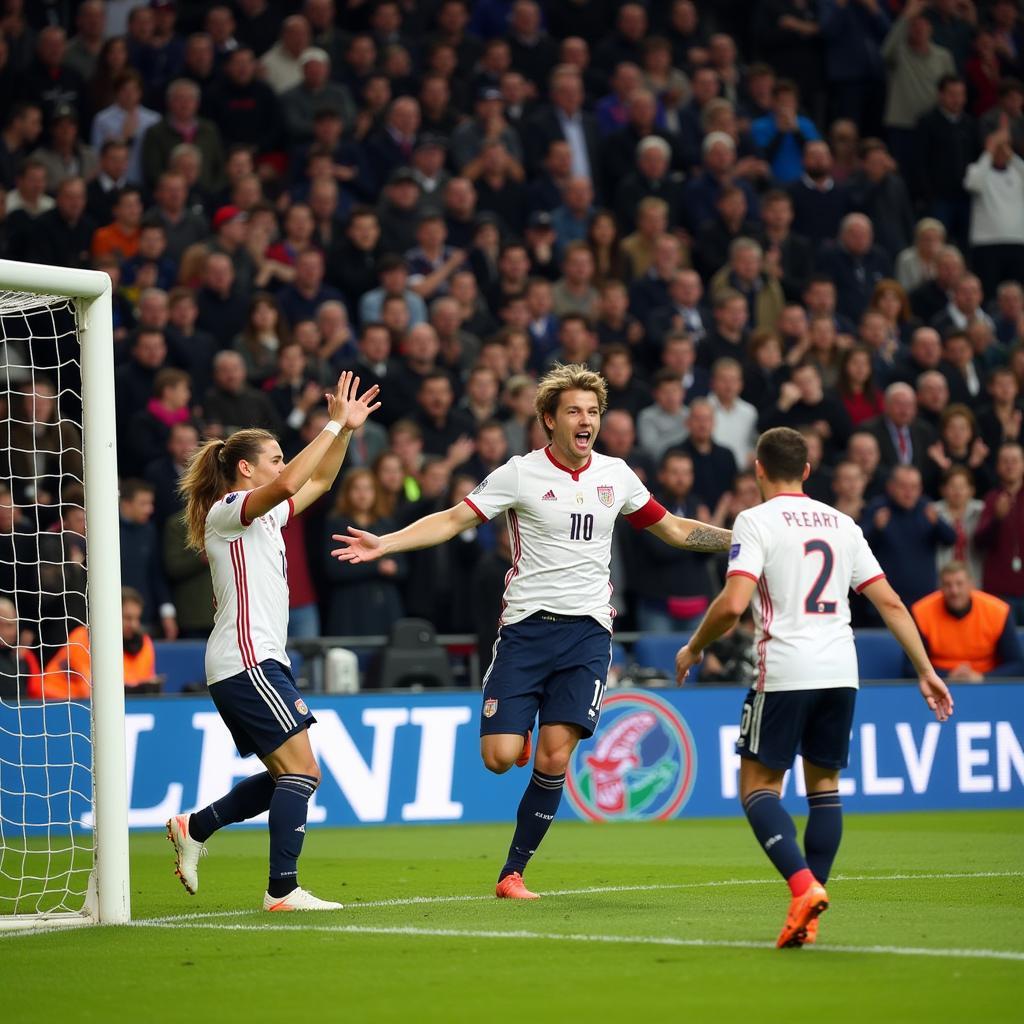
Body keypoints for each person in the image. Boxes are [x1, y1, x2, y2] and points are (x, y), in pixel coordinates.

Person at [331, 364, 732, 899]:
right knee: (498, 759)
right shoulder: (519, 473)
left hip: (588, 633)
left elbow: (677, 530)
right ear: (549, 419)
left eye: (592, 411)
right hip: (525, 630)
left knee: (556, 756)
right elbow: (453, 519)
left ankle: (512, 872)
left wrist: (746, 538)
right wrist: (386, 542)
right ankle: (515, 733)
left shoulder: (617, 475)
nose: (585, 420)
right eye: (574, 411)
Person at [674, 426, 953, 949]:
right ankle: (811, 910)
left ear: (758, 469)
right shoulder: (843, 523)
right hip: (840, 671)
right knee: (824, 789)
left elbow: (734, 605)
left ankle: (803, 888)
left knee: (758, 789)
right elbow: (889, 601)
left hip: (783, 671)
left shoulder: (755, 521)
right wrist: (926, 668)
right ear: (806, 471)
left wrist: (693, 647)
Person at [167, 371, 381, 912]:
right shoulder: (226, 513)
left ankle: (197, 825)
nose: (284, 465)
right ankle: (281, 890)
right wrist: (329, 423)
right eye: (275, 456)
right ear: (246, 468)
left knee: (291, 774)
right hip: (245, 661)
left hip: (259, 661)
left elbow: (319, 483)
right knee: (303, 772)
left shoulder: (261, 517)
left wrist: (346, 432)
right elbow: (289, 484)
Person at [911, 561, 1024, 681]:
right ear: (940, 587)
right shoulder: (921, 612)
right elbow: (910, 667)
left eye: (960, 584)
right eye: (947, 585)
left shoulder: (998, 611)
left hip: (986, 685)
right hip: (938, 684)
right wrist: (947, 676)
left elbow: (1017, 665)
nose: (954, 591)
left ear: (971, 584)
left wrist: (982, 678)